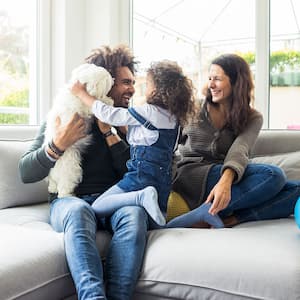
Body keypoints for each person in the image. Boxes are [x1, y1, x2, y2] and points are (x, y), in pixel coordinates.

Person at [19, 45, 147, 300]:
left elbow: (134, 174)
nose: (131, 89)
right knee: (78, 211)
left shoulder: (128, 122)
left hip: (114, 200)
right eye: (125, 82)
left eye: (132, 82)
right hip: (70, 201)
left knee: (134, 214)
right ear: (104, 81)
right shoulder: (62, 114)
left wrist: (109, 132)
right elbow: (26, 171)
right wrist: (58, 145)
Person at [71, 60, 223, 229]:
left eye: (148, 84)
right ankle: (203, 212)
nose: (142, 89)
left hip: (140, 179)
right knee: (159, 226)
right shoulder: (174, 119)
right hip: (163, 183)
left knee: (98, 207)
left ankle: (140, 197)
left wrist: (82, 93)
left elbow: (109, 114)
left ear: (157, 90)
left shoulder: (147, 111)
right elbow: (150, 139)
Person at [172, 53, 300, 228]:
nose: (211, 84)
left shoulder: (252, 117)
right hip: (191, 174)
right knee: (273, 175)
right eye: (210, 78)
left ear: (236, 81)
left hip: (226, 177)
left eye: (217, 79)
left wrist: (225, 182)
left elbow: (240, 148)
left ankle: (229, 218)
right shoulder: (192, 107)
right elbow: (169, 142)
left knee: (297, 189)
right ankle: (210, 212)